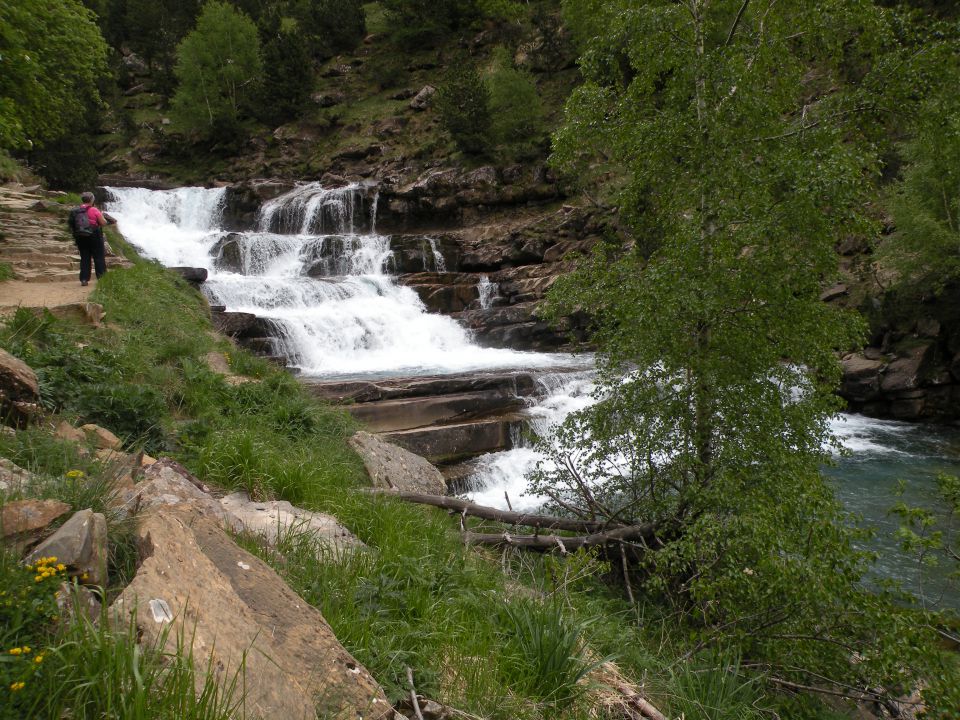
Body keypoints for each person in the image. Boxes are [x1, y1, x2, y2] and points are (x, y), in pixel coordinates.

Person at [68, 191, 117, 286]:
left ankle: (84, 279)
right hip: (94, 235)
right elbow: (103, 223)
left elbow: (71, 224)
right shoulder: (94, 210)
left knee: (85, 257)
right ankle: (102, 278)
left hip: (80, 236)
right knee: (98, 257)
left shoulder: (75, 210)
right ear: (92, 200)